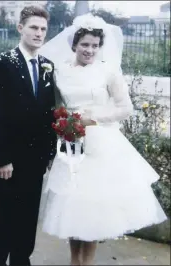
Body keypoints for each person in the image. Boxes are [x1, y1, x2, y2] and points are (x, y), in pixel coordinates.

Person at [39, 14, 167, 265]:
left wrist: (92, 119)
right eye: (85, 44)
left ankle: (87, 262)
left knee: (91, 207)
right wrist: (64, 122)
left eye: (95, 45)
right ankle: (74, 260)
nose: (89, 50)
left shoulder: (108, 71)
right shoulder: (60, 70)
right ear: (74, 44)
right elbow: (55, 105)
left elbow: (125, 108)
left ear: (100, 47)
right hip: (71, 145)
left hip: (101, 146)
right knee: (72, 207)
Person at [0, 5, 57, 266]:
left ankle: (21, 260)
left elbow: (49, 113)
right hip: (9, 160)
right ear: (20, 28)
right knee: (2, 218)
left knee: (27, 217)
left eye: (43, 29)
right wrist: (2, 158)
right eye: (34, 28)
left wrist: (49, 153)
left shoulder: (48, 66)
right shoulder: (2, 62)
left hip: (35, 160)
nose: (39, 33)